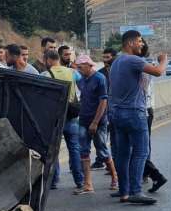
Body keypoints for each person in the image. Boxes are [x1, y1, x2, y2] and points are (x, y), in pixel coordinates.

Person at [109, 30, 167, 204]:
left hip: (117, 113)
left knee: (123, 154)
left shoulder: (116, 61)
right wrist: (163, 60)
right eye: (140, 41)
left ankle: (124, 191)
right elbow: (158, 72)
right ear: (131, 43)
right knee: (141, 152)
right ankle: (136, 191)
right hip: (134, 112)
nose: (142, 44)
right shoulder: (133, 60)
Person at [74, 54, 119, 195]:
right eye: (78, 68)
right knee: (84, 151)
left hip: (98, 121)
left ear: (89, 65)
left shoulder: (100, 79)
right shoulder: (81, 80)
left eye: (81, 67)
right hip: (83, 119)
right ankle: (88, 184)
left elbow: (103, 101)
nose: (79, 70)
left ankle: (115, 177)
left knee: (102, 150)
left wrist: (95, 122)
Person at [41, 50, 84, 189]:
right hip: (71, 115)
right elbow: (81, 84)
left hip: (55, 117)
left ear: (48, 60)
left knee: (53, 150)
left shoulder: (45, 75)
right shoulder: (72, 72)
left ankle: (54, 181)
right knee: (74, 149)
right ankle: (79, 180)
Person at [139, 41, 168, 193]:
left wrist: (163, 61)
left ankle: (151, 174)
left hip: (142, 111)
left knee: (139, 147)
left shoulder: (141, 65)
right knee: (139, 146)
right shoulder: (137, 64)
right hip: (142, 111)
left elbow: (157, 72)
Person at [93, 47, 118, 170]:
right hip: (104, 109)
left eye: (107, 57)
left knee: (115, 138)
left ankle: (114, 163)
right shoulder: (100, 73)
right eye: (103, 57)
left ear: (114, 57)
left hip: (117, 109)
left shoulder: (119, 71)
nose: (105, 60)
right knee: (101, 138)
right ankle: (101, 160)